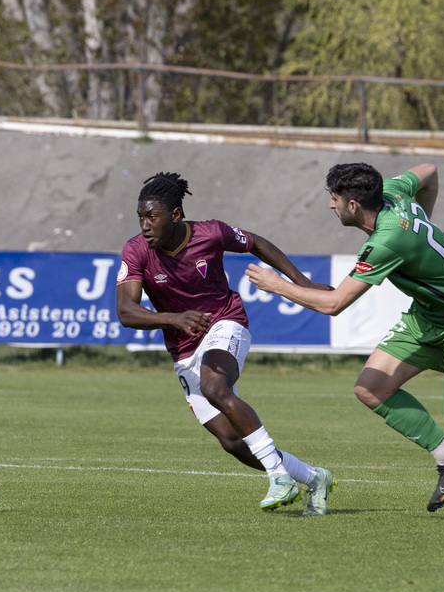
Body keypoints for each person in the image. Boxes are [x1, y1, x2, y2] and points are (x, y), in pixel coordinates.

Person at [246, 162, 444, 519]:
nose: (330, 205)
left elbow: (334, 304)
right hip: (427, 316)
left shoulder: (387, 240)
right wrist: (430, 233)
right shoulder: (391, 191)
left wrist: (277, 285)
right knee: (371, 387)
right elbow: (430, 170)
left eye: (334, 198)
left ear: (353, 206)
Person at [115, 171, 336, 516]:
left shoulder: (210, 233)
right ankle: (313, 476)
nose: (144, 225)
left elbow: (257, 243)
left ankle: (279, 476)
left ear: (175, 215)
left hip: (225, 320)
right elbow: (126, 311)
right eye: (140, 217)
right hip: (183, 347)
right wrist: (175, 318)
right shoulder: (136, 250)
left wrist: (302, 284)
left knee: (215, 385)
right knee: (231, 441)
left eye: (151, 217)